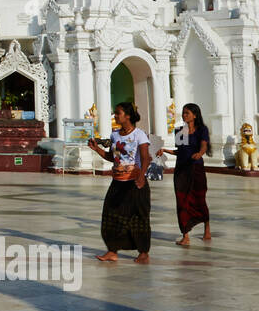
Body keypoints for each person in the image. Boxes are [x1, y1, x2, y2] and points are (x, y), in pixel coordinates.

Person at [88, 101, 152, 263]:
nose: (115, 116)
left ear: (128, 116)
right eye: (115, 113)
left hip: (135, 182)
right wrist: (97, 149)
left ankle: (143, 252)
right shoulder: (115, 135)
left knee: (139, 217)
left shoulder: (139, 135)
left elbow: (145, 158)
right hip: (118, 182)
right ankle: (112, 250)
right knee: (110, 215)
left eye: (118, 113)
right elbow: (114, 157)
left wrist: (142, 176)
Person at [157, 102, 211, 246]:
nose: (184, 115)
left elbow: (204, 145)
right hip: (181, 169)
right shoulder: (180, 131)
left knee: (199, 198)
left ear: (195, 115)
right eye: (183, 112)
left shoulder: (202, 130)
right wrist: (165, 150)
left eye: (187, 113)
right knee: (181, 201)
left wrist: (200, 153)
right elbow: (179, 151)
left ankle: (207, 227)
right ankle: (185, 235)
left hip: (196, 168)